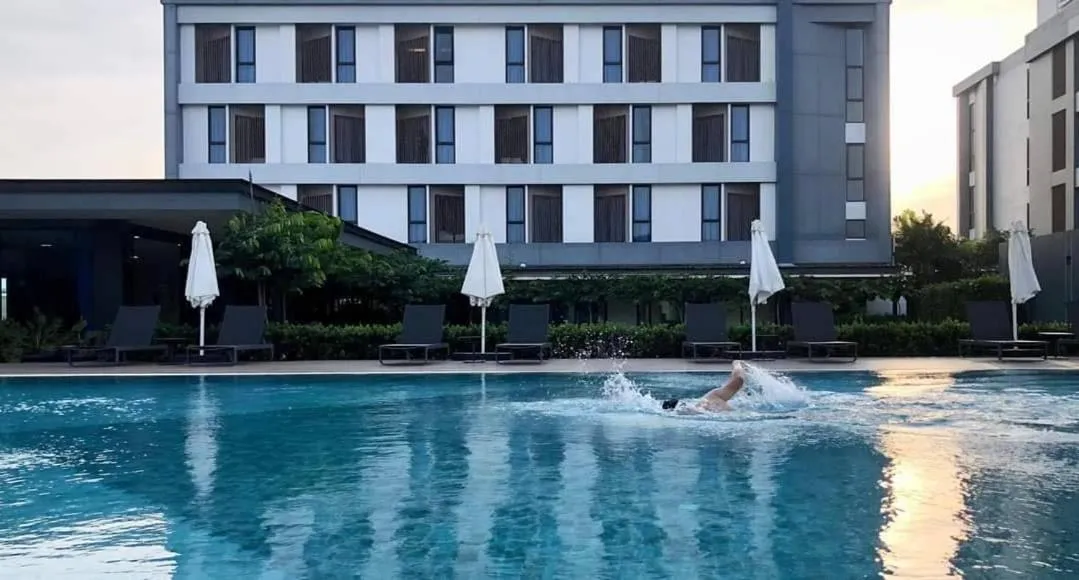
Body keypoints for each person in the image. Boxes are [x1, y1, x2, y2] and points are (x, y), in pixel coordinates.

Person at [661, 360, 746, 413]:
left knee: (739, 380)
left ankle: (737, 363)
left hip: (711, 400)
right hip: (709, 403)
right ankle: (737, 364)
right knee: (738, 380)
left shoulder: (711, 398)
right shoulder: (704, 404)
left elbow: (738, 380)